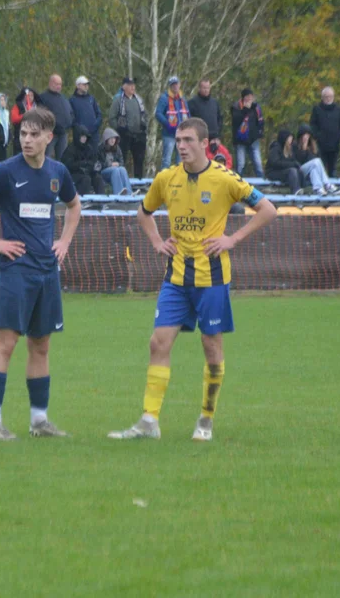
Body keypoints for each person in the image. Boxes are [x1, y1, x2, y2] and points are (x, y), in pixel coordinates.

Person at [108, 117, 276, 442]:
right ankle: (148, 421)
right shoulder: (166, 178)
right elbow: (143, 213)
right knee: (158, 343)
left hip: (211, 277)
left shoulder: (225, 179)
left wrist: (233, 239)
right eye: (178, 140)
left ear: (204, 143)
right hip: (176, 276)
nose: (181, 146)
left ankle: (206, 419)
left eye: (187, 140)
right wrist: (158, 242)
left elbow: (268, 209)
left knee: (211, 346)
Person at [0, 106, 83, 441]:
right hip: (16, 272)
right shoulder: (5, 171)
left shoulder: (58, 172)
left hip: (47, 272)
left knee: (41, 346)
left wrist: (65, 242)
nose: (26, 140)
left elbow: (74, 205)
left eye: (34, 134)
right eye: (23, 134)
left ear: (49, 138)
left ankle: (39, 422)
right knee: (6, 343)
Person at [108, 77, 149, 178]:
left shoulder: (139, 99)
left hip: (139, 135)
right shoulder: (118, 100)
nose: (133, 87)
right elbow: (111, 118)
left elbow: (145, 115)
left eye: (133, 85)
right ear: (124, 86)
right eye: (130, 85)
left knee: (139, 161)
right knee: (122, 160)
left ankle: (139, 183)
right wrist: (118, 130)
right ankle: (122, 181)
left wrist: (144, 127)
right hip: (124, 135)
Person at [310, 86, 340, 178]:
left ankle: (332, 187)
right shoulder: (317, 109)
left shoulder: (339, 110)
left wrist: (339, 136)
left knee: (332, 169)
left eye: (330, 96)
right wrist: (317, 136)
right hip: (320, 144)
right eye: (326, 96)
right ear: (322, 97)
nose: (328, 98)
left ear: (333, 97)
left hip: (334, 144)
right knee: (320, 167)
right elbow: (313, 124)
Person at [155, 76, 190, 169]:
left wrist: (189, 127)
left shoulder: (182, 99)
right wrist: (167, 124)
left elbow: (187, 113)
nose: (175, 87)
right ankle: (164, 180)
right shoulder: (164, 98)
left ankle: (180, 180)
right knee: (166, 160)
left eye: (176, 84)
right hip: (169, 134)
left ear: (179, 84)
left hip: (182, 134)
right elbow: (158, 113)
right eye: (173, 85)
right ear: (170, 86)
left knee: (181, 160)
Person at [61, 124, 106, 195]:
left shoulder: (89, 148)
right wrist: (82, 163)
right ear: (77, 136)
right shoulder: (71, 149)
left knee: (98, 178)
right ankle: (83, 200)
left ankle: (101, 200)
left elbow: (93, 161)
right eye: (82, 136)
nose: (84, 138)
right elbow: (68, 165)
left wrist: (93, 166)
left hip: (87, 172)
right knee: (86, 179)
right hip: (74, 174)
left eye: (85, 136)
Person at [37, 74, 74, 160]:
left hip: (63, 134)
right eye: (57, 84)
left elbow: (71, 113)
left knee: (63, 158)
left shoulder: (63, 98)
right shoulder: (43, 97)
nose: (59, 86)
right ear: (50, 83)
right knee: (47, 157)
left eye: (60, 84)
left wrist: (69, 123)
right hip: (50, 133)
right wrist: (53, 126)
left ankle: (59, 173)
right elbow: (42, 115)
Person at [230, 88, 265, 177]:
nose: (249, 99)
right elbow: (236, 121)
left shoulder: (256, 107)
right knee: (241, 164)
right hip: (240, 140)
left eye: (251, 97)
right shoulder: (236, 107)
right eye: (247, 97)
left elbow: (260, 121)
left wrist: (260, 133)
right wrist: (245, 109)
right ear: (243, 98)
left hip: (253, 139)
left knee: (258, 163)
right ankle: (238, 182)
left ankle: (262, 182)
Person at [294, 124, 337, 195]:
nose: (306, 137)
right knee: (317, 161)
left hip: (310, 173)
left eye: (307, 135)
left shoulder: (313, 147)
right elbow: (299, 160)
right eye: (304, 135)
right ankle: (327, 184)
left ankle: (318, 189)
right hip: (300, 171)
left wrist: (307, 149)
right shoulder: (295, 146)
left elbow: (314, 162)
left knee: (314, 169)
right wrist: (304, 149)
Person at [266, 129, 301, 194]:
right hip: (273, 172)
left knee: (298, 170)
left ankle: (304, 189)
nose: (291, 140)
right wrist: (291, 164)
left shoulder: (290, 149)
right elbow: (275, 163)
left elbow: (293, 161)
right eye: (289, 138)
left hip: (283, 171)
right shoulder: (275, 148)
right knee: (292, 171)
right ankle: (296, 191)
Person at [69, 76, 103, 145]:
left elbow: (99, 114)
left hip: (94, 136)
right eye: (84, 84)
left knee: (95, 154)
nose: (86, 86)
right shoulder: (72, 100)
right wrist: (80, 129)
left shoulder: (91, 99)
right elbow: (71, 118)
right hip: (80, 136)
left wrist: (95, 126)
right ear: (78, 85)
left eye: (87, 84)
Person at [99, 128, 132, 195]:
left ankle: (129, 192)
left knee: (122, 169)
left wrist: (118, 164)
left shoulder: (117, 148)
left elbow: (122, 162)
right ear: (106, 139)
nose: (113, 140)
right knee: (115, 170)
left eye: (114, 138)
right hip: (103, 172)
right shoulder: (100, 148)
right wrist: (110, 165)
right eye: (111, 138)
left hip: (116, 171)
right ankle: (118, 192)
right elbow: (98, 165)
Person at [9, 87, 36, 156]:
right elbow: (14, 119)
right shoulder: (18, 106)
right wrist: (24, 115)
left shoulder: (37, 107)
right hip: (20, 136)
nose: (29, 97)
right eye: (28, 95)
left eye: (31, 95)